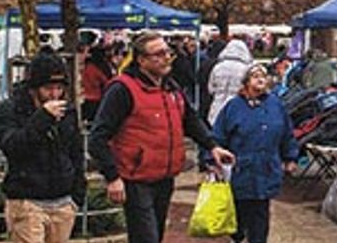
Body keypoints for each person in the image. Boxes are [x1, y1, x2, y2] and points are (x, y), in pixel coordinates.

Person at [90, 32, 233, 243]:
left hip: (164, 176)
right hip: (137, 178)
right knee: (145, 237)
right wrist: (112, 176)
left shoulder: (170, 87)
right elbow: (97, 138)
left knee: (155, 236)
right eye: (159, 54)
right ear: (141, 60)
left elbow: (190, 120)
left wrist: (212, 146)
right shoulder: (122, 89)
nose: (167, 57)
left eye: (168, 52)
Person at [0, 53, 85, 243]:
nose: (54, 95)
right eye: (48, 88)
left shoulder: (67, 111)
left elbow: (76, 152)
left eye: (59, 88)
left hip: (63, 202)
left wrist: (77, 195)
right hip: (27, 201)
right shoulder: (11, 110)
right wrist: (42, 118)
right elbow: (12, 146)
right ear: (33, 88)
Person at [212, 64, 300, 243]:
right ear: (245, 82)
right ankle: (237, 236)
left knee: (260, 213)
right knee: (240, 213)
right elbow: (218, 135)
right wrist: (211, 160)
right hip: (240, 169)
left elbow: (287, 133)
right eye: (255, 76)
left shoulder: (276, 105)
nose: (260, 79)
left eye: (263, 76)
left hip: (266, 168)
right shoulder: (233, 106)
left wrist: (290, 157)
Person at [208, 39, 253, 124]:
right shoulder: (246, 69)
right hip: (238, 107)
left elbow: (210, 88)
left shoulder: (217, 67)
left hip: (217, 107)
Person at [81, 46, 114, 124]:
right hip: (97, 100)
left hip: (87, 99)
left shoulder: (87, 67)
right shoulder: (100, 68)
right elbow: (107, 83)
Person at [170, 36, 200, 111]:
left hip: (181, 82)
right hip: (183, 82)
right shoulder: (183, 57)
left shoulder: (182, 57)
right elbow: (186, 70)